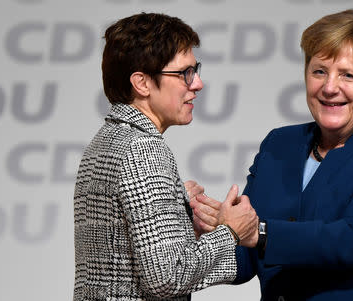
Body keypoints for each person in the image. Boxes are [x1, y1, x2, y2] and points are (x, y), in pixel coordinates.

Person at [191, 9, 353, 300]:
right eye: (319, 71)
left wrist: (259, 233)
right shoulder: (279, 144)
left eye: (348, 75)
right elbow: (247, 259)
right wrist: (213, 228)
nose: (330, 88)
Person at [73, 12, 258, 301]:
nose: (197, 83)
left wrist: (180, 222)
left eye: (195, 69)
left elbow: (130, 258)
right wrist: (230, 232)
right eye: (185, 73)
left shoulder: (106, 140)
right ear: (142, 83)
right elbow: (166, 279)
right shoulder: (143, 149)